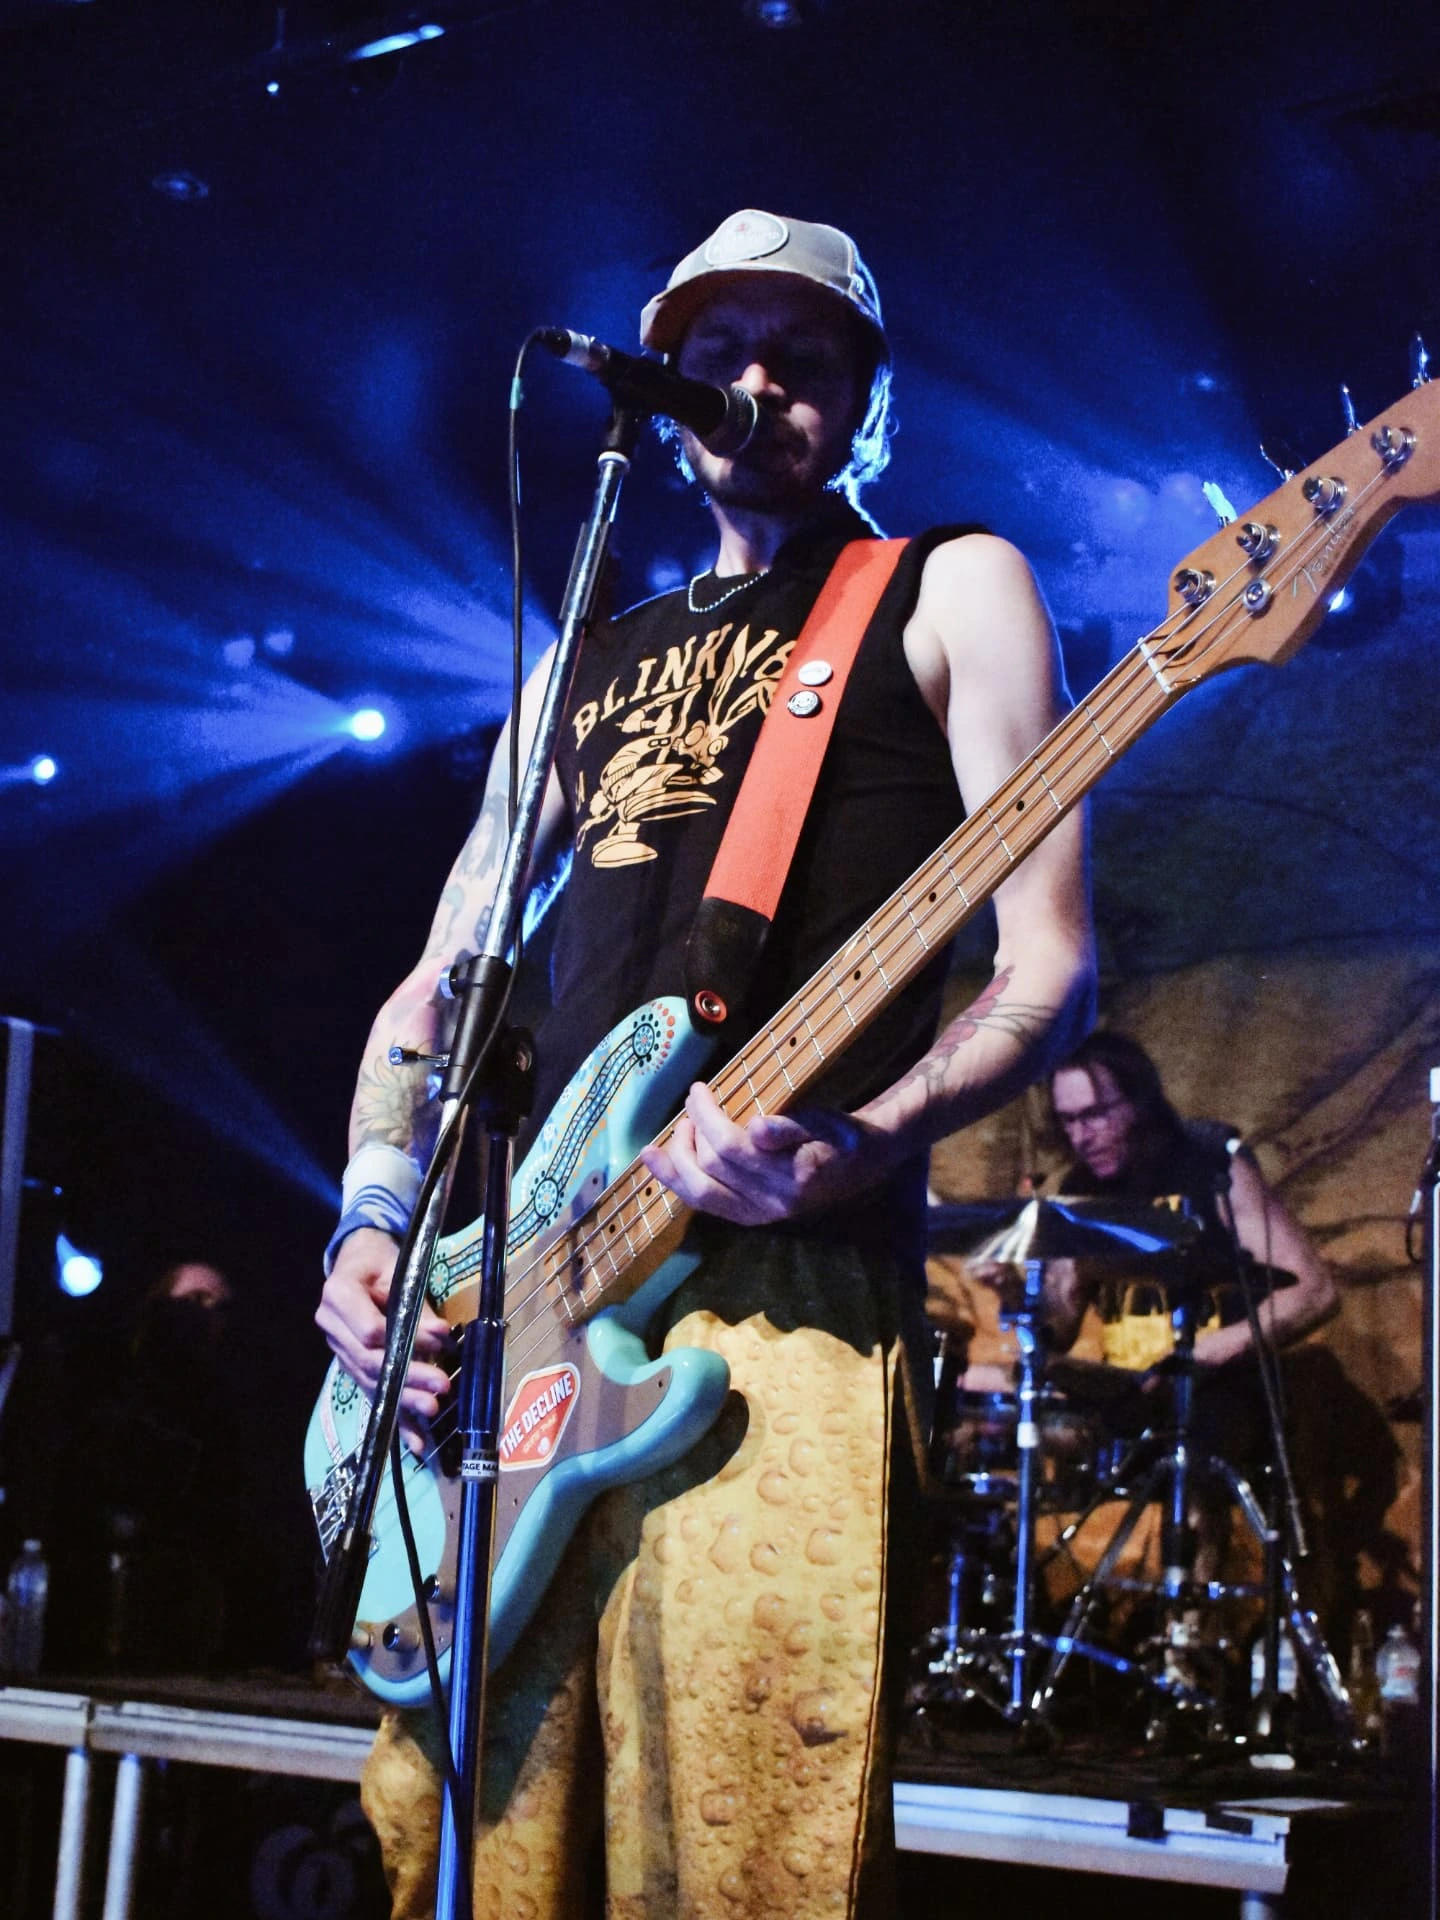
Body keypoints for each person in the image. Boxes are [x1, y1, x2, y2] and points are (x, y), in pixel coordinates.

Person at [316, 209, 1095, 1919]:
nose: (757, 381)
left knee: (746, 1861)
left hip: (782, 1302)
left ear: (868, 402)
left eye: (803, 357)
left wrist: (867, 1140)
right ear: (666, 402)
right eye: (721, 350)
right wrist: (374, 1223)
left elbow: (1048, 968)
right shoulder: (582, 664)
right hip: (522, 1308)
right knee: (480, 1855)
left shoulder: (949, 586)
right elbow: (433, 994)